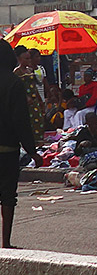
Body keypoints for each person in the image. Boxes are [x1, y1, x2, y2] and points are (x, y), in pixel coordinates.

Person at [0, 41, 41, 248]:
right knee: (7, 196)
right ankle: (5, 242)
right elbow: (21, 122)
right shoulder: (14, 83)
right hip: (7, 149)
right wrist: (33, 152)